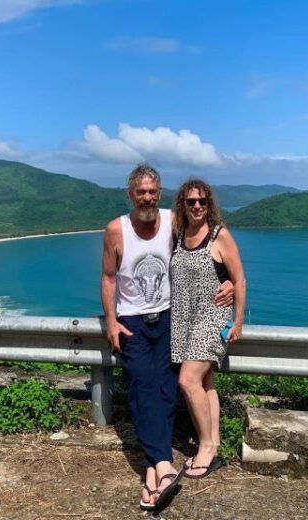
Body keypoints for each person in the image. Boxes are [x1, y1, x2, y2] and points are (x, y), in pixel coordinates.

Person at [100, 164, 234, 511]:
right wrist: (112, 321)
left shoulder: (173, 222)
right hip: (133, 322)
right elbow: (109, 277)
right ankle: (162, 464)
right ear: (130, 194)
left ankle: (150, 469)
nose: (147, 197)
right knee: (143, 387)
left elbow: (203, 249)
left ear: (159, 194)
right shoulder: (117, 229)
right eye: (140, 192)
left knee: (165, 389)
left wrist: (229, 280)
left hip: (171, 319)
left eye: (152, 192)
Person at [170, 178, 246, 479]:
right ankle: (213, 443)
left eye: (202, 201)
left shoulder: (219, 235)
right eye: (191, 202)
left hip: (213, 317)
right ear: (183, 205)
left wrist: (238, 321)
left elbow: (239, 279)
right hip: (183, 319)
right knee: (205, 383)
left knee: (187, 381)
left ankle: (205, 447)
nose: (197, 206)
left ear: (209, 203)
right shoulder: (178, 234)